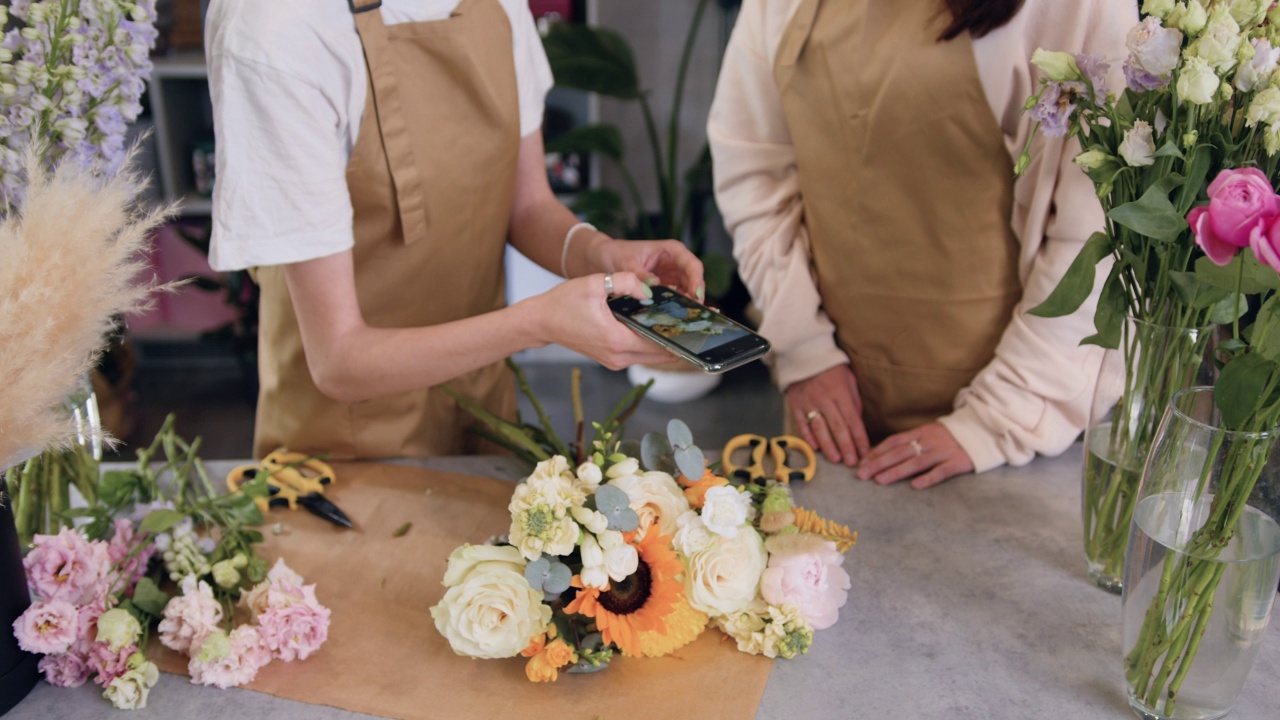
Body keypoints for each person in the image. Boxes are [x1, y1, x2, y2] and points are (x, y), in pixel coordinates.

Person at [204, 0, 704, 459]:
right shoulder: (279, 31)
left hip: (482, 407)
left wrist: (601, 252)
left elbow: (527, 206)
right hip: (349, 438)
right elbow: (337, 358)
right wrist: (538, 324)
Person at [708, 0, 1133, 488]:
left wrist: (999, 419)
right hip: (828, 412)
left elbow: (1095, 235)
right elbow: (752, 173)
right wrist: (804, 350)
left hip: (1010, 432)